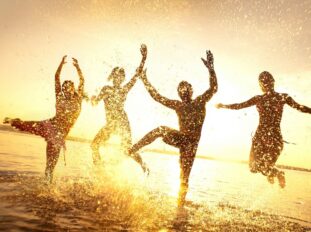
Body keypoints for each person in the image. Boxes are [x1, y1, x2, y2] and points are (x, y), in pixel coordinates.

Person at [129, 50, 218, 207]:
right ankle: (134, 148)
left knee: (184, 177)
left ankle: (180, 206)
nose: (183, 90)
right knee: (160, 129)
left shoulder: (199, 102)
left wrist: (211, 68)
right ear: (178, 93)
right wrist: (144, 79)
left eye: (186, 88)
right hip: (181, 138)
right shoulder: (178, 105)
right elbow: (157, 97)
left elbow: (213, 88)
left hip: (191, 145)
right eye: (181, 89)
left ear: (191, 91)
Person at [216, 71, 311, 188]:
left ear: (262, 85)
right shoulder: (282, 97)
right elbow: (300, 108)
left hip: (262, 136)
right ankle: (273, 173)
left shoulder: (260, 98)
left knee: (254, 167)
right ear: (273, 82)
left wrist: (223, 105)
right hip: (273, 136)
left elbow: (239, 106)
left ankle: (274, 173)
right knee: (263, 166)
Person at [3, 56, 85, 183]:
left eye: (68, 88)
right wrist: (61, 64)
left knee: (50, 166)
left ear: (72, 88)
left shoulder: (78, 99)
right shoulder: (59, 96)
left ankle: (48, 189)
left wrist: (77, 67)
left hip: (58, 136)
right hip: (48, 125)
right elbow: (56, 77)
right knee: (26, 126)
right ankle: (13, 121)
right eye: (63, 88)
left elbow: (82, 80)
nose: (65, 90)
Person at [90, 44, 148, 173]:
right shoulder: (106, 89)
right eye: (115, 75)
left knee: (126, 150)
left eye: (120, 76)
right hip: (111, 124)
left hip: (122, 123)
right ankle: (98, 171)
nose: (118, 78)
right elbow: (95, 103)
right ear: (112, 76)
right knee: (94, 145)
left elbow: (136, 75)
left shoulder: (124, 90)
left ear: (122, 79)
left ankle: (143, 165)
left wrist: (143, 59)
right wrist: (93, 98)